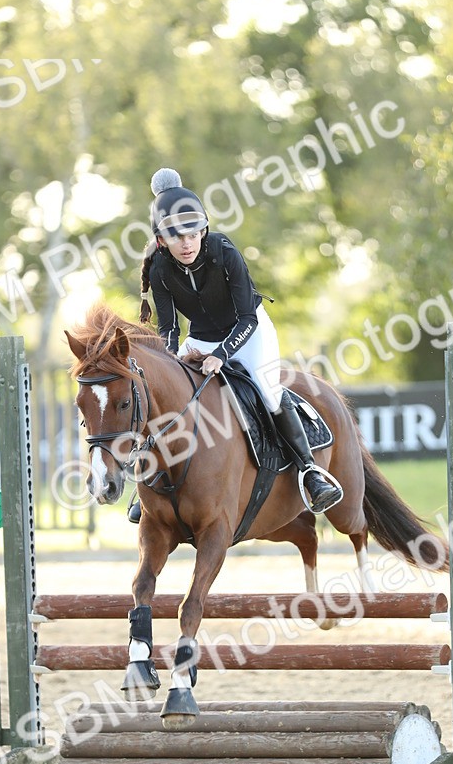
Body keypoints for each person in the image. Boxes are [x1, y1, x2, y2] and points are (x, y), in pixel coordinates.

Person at [127, 167, 342, 523]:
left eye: (193, 233)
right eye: (176, 236)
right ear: (161, 240)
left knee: (269, 392)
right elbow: (169, 329)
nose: (187, 243)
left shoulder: (224, 252)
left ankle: (310, 473)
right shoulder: (160, 269)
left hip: (248, 333)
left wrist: (221, 356)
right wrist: (169, 362)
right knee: (166, 395)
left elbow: (248, 318)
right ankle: (144, 483)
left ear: (204, 230)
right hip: (200, 339)